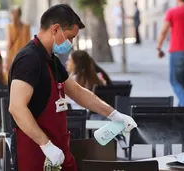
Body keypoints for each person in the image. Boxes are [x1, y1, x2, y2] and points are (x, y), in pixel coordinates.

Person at [8, 4, 137, 171]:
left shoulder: (51, 60)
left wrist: (114, 114)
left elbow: (77, 91)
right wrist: (46, 145)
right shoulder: (29, 60)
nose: (71, 44)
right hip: (35, 150)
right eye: (70, 37)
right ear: (55, 29)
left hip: (58, 146)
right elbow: (16, 107)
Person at [5, 5, 30, 75]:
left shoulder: (10, 26)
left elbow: (9, 43)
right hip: (20, 56)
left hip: (20, 56)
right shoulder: (26, 26)